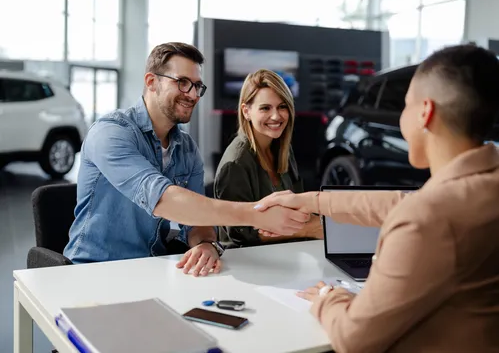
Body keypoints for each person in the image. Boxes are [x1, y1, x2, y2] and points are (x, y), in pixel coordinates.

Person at [255, 45, 499, 352]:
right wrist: (312, 201)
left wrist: (329, 298)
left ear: (425, 112)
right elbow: (404, 201)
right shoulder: (482, 186)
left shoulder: (428, 220)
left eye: (405, 106)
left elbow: (354, 338)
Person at [64, 42, 309, 275]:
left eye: (197, 86)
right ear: (152, 82)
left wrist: (205, 244)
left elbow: (198, 224)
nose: (192, 94)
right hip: (94, 270)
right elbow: (164, 200)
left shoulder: (187, 148)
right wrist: (257, 214)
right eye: (182, 82)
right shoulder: (111, 132)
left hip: (152, 268)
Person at [213, 69, 322, 248]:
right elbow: (241, 235)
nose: (276, 116)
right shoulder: (236, 163)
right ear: (246, 111)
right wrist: (310, 230)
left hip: (286, 252)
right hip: (248, 262)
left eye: (282, 106)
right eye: (265, 108)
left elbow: (298, 205)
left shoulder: (283, 149)